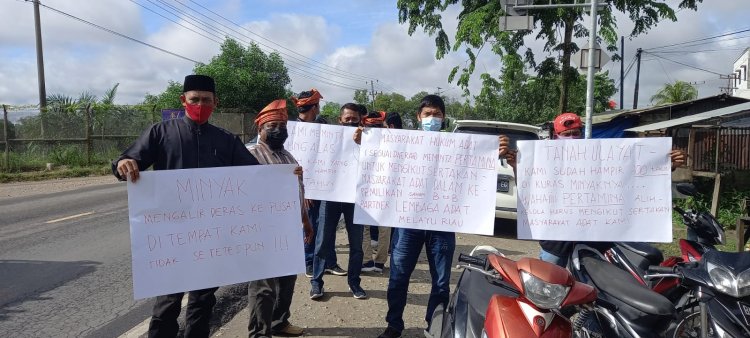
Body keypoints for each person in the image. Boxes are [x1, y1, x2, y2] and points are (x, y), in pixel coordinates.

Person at [113, 74, 261, 338]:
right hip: (172, 234)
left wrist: (285, 178)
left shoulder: (226, 140)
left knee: (203, 301)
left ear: (215, 102)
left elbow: (255, 176)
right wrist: (123, 163)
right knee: (167, 302)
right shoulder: (160, 133)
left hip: (210, 234)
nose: (200, 104)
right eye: (195, 99)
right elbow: (129, 159)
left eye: (206, 100)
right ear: (183, 100)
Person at [501, 112, 686, 267]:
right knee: (546, 292)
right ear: (555, 136)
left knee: (593, 298)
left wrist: (665, 166)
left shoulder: (600, 157)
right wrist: (517, 167)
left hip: (593, 242)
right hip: (555, 242)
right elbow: (530, 190)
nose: (573, 137)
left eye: (577, 132)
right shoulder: (543, 159)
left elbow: (632, 178)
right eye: (567, 133)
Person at [377, 95, 454, 338]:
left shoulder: (457, 146)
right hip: (408, 222)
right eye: (428, 114)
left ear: (444, 118)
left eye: (437, 114)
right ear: (419, 118)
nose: (432, 118)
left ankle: (433, 325)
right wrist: (360, 142)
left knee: (441, 283)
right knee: (398, 277)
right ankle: (394, 325)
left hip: (442, 223)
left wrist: (499, 151)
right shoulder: (404, 144)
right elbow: (377, 157)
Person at [245, 99, 313, 338]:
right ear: (260, 129)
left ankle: (279, 322)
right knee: (263, 287)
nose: (277, 130)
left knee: (287, 280)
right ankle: (259, 333)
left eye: (282, 126)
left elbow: (298, 192)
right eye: (272, 125)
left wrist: (305, 222)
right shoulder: (248, 155)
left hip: (287, 229)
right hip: (260, 231)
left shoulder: (287, 156)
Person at [309, 103, 368, 300]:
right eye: (347, 119)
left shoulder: (369, 139)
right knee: (322, 242)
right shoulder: (328, 139)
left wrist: (364, 142)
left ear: (361, 119)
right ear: (339, 120)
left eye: (354, 119)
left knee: (356, 245)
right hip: (330, 196)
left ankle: (354, 283)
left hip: (355, 201)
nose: (351, 122)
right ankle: (316, 283)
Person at [293, 89, 347, 277]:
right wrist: (304, 191)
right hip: (306, 189)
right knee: (310, 225)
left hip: (326, 186)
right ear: (314, 106)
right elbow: (295, 162)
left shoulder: (323, 127)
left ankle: (330, 262)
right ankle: (309, 262)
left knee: (328, 226)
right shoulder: (293, 130)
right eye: (318, 106)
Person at [360, 111, 401, 273]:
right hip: (387, 190)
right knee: (385, 228)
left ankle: (367, 261)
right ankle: (380, 263)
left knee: (364, 228)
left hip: (365, 190)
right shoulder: (392, 142)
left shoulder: (361, 140)